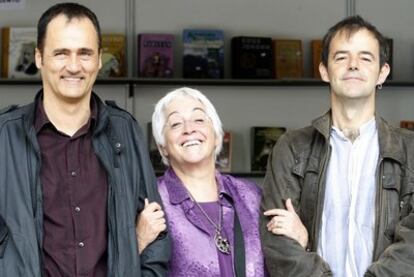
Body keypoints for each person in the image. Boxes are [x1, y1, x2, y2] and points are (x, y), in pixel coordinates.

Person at [0, 3, 169, 277]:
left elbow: (156, 230)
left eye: (85, 53)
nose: (74, 66)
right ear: (39, 58)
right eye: (61, 53)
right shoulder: (4, 136)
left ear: (99, 59)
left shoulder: (124, 130)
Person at [260, 15, 414, 277]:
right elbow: (279, 244)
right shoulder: (292, 148)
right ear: (324, 71)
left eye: (366, 58)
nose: (353, 65)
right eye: (341, 57)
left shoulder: (411, 150)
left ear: (383, 72)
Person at [151, 87, 266, 276]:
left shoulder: (252, 196)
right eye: (176, 124)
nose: (189, 129)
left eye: (198, 119)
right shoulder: (151, 200)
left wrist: (298, 240)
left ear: (217, 136)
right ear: (162, 146)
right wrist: (135, 242)